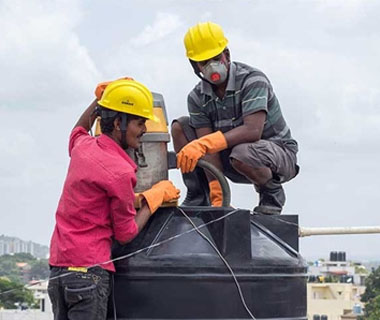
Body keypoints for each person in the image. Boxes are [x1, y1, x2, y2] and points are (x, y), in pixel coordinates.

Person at [48, 79, 180, 320]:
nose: (144, 130)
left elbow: (77, 130)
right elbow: (125, 233)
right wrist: (154, 198)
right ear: (119, 122)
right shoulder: (121, 171)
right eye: (139, 123)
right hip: (90, 273)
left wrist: (101, 99)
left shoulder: (83, 147)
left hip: (59, 270)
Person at [171, 22, 299, 214]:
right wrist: (219, 197)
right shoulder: (197, 97)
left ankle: (271, 194)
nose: (212, 66)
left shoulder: (252, 80)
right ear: (195, 66)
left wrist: (205, 143)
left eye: (216, 58)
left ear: (227, 55)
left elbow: (252, 131)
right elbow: (209, 149)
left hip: (276, 156)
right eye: (204, 62)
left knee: (242, 152)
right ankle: (201, 196)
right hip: (231, 157)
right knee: (180, 127)